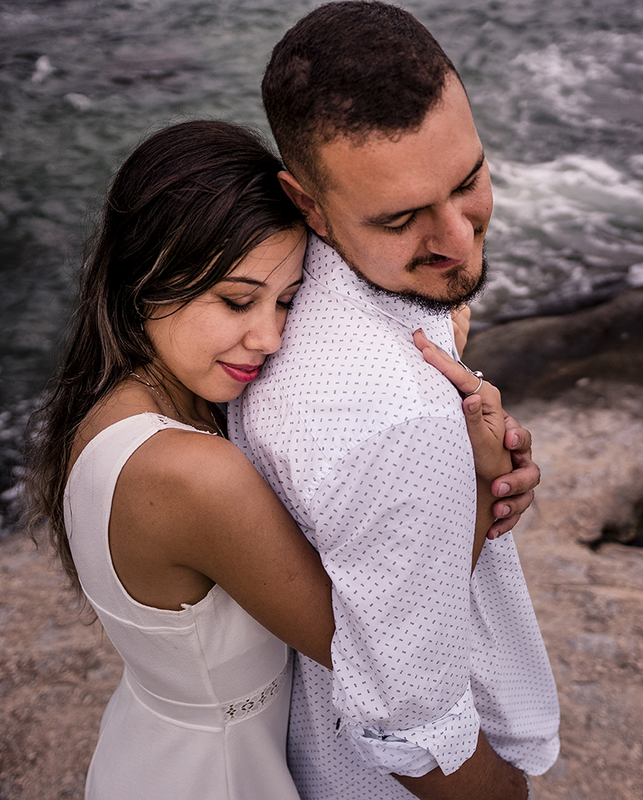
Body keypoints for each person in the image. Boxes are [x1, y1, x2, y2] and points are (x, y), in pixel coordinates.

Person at [25, 120, 540, 798]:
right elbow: (380, 649)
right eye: (237, 300)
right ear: (144, 278)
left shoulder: (105, 407)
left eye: (290, 301)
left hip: (151, 748)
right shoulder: (194, 476)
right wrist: (473, 478)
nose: (269, 338)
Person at [230, 3, 561, 799]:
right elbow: (414, 735)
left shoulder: (280, 296)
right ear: (306, 202)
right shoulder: (396, 418)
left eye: (468, 179)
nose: (458, 237)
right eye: (402, 218)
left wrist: (469, 482)